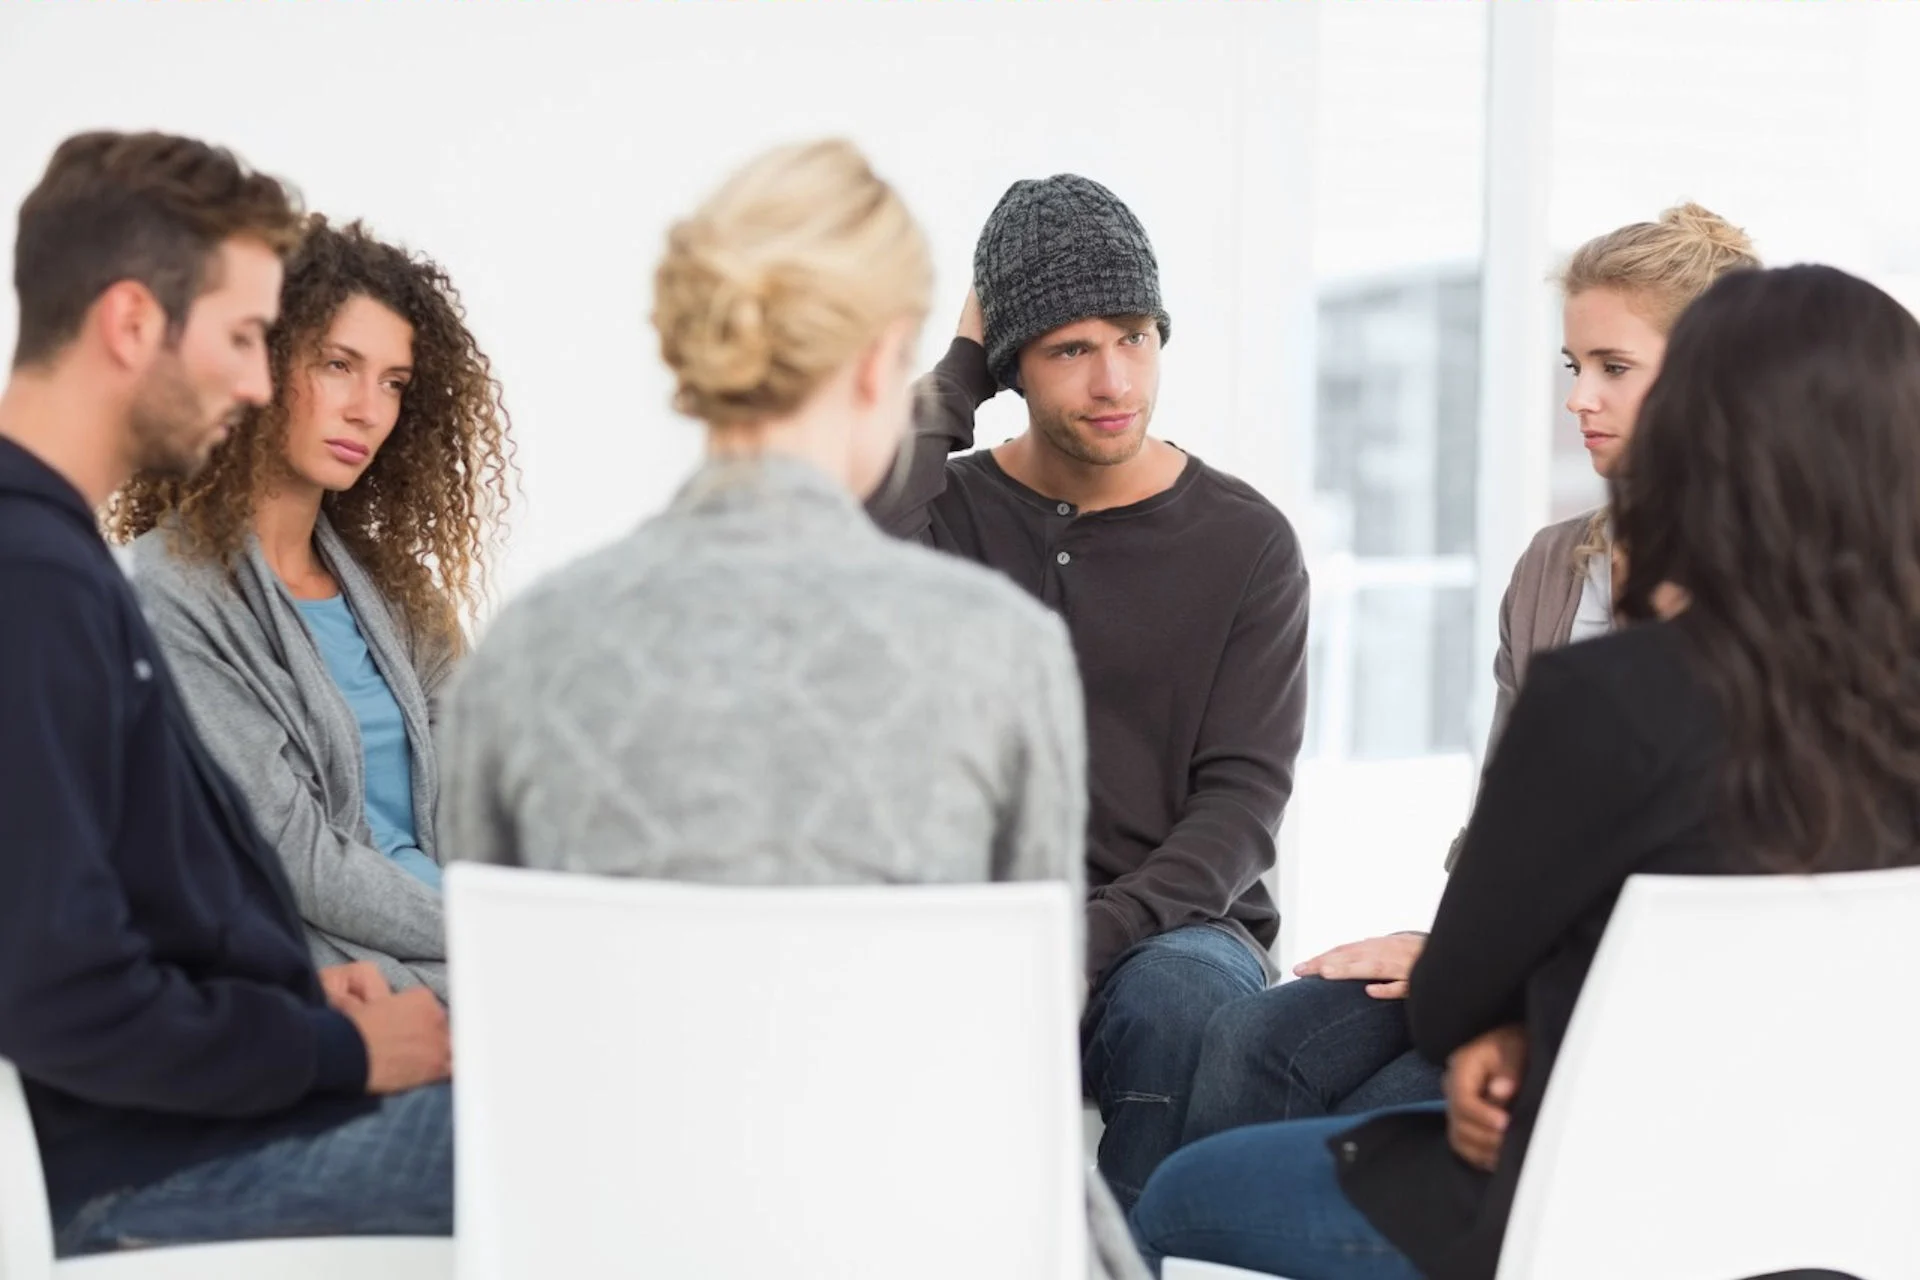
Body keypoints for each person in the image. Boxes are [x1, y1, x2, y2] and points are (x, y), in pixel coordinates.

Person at [435, 140, 1147, 1280]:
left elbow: (507, 1032)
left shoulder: (525, 653)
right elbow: (1022, 1027)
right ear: (879, 364)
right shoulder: (997, 652)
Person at [1129, 262, 1920, 1279]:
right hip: (1839, 1207)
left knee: (1167, 1199)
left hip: (1574, 1198)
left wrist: (1505, 1030)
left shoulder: (1610, 695)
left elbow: (1458, 989)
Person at [1178, 204, 1758, 1142]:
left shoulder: (1774, 593)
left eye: (1615, 369)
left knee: (1357, 1123)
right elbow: (1503, 819)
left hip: (1602, 978)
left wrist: (1489, 975)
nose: (1578, 399)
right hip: (1496, 946)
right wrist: (1456, 949)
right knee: (1254, 1038)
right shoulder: (1548, 569)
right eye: (1576, 368)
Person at [0, 131, 451, 1257]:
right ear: (131, 324)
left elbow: (134, 918)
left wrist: (304, 1003)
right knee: (588, 1134)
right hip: (159, 1163)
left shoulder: (57, 567)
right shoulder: (39, 583)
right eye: (250, 338)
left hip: (228, 1100)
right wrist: (338, 1051)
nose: (260, 382)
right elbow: (61, 995)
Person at [866, 175, 1310, 1207]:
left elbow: (1241, 811)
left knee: (1183, 998)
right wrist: (954, 375)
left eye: (1134, 336)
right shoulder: (950, 510)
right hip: (970, 919)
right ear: (1012, 361)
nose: (1115, 378)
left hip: (1174, 928)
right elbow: (847, 559)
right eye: (1070, 348)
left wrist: (1084, 937)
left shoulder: (1247, 543)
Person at [109, 216, 515, 1000]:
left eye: (394, 383)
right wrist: (494, 933)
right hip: (325, 978)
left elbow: (480, 795)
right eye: (338, 365)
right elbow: (291, 855)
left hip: (469, 947)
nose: (369, 409)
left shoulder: (402, 598)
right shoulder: (168, 591)